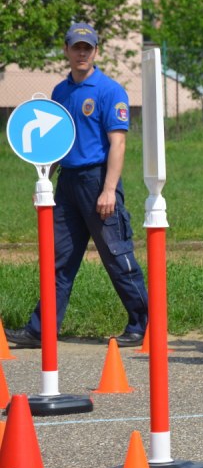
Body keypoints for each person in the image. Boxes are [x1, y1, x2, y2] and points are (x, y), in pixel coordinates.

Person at [5, 22, 148, 348]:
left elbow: (118, 143)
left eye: (87, 47)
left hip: (98, 181)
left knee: (117, 256)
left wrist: (109, 189)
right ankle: (41, 330)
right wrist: (44, 179)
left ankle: (144, 325)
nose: (81, 53)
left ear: (96, 51)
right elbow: (55, 145)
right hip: (67, 184)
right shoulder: (60, 92)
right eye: (76, 47)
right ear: (66, 50)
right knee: (58, 259)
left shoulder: (110, 90)